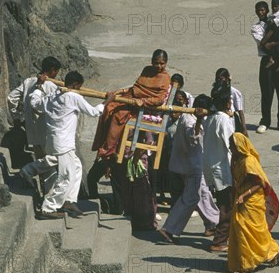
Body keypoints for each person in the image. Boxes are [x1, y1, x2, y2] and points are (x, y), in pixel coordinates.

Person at [92, 49, 171, 230]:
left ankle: (109, 146)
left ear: (166, 63)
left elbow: (158, 98)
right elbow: (135, 89)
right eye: (156, 62)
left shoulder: (165, 78)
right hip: (134, 101)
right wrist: (120, 92)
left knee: (118, 114)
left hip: (144, 109)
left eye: (161, 63)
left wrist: (143, 102)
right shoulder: (146, 70)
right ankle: (107, 145)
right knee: (110, 106)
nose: (158, 66)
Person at [30, 71, 115, 219]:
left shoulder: (51, 96)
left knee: (76, 167)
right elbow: (94, 112)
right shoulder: (73, 97)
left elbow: (34, 103)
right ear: (75, 85)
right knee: (66, 176)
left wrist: (38, 86)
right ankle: (48, 207)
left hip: (54, 142)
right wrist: (108, 101)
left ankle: (68, 200)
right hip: (64, 144)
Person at [158, 95, 219, 243]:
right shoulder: (189, 120)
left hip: (194, 165)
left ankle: (213, 223)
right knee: (191, 198)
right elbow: (193, 136)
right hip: (192, 166)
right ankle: (169, 229)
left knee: (203, 193)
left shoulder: (189, 117)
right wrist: (199, 119)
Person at [228, 132, 279, 273]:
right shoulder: (236, 159)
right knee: (252, 231)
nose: (229, 148)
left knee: (246, 229)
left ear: (238, 146)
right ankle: (273, 251)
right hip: (240, 197)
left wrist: (243, 196)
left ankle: (248, 264)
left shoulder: (248, 162)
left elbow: (260, 184)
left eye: (231, 145)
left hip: (252, 200)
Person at [9, 57, 60, 194]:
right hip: (48, 133)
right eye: (56, 72)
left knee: (43, 165)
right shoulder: (52, 86)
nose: (56, 75)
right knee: (51, 163)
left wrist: (17, 117)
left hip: (32, 132)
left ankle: (45, 197)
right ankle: (29, 171)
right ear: (52, 70)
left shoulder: (27, 82)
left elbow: (11, 98)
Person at [251, 1, 279, 134]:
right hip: (267, 59)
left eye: (263, 10)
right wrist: (271, 38)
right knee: (267, 92)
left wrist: (274, 42)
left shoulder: (276, 21)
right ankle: (265, 122)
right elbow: (262, 44)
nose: (260, 12)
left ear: (267, 10)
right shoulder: (256, 28)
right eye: (258, 10)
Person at [203, 86, 235, 252]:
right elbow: (231, 143)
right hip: (222, 170)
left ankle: (225, 237)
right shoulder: (223, 119)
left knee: (224, 204)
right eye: (230, 100)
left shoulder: (211, 118)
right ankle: (219, 241)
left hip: (212, 167)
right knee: (227, 207)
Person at [212, 68, 248, 136]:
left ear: (226, 78)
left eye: (221, 79)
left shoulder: (234, 92)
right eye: (217, 79)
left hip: (231, 121)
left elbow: (240, 112)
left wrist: (244, 129)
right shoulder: (215, 90)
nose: (219, 81)